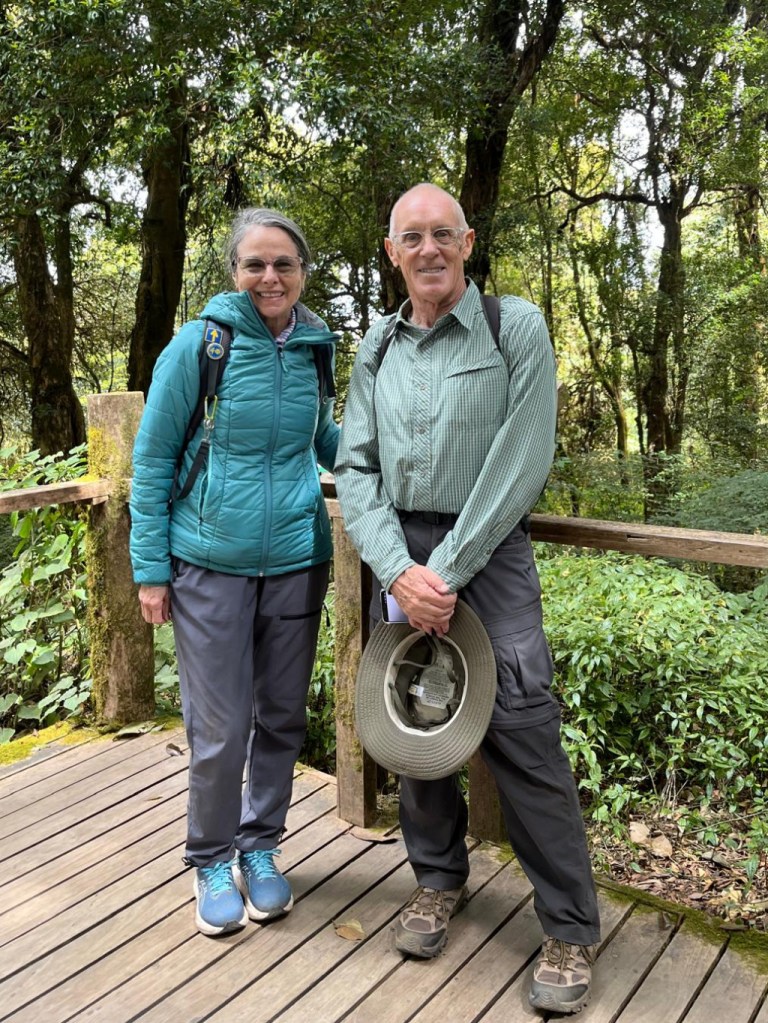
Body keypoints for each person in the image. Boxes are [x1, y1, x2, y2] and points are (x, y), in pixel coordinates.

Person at [334, 183, 600, 1014]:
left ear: (468, 241)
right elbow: (355, 466)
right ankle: (437, 880)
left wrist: (442, 573)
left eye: (442, 233)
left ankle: (569, 925)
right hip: (399, 558)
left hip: (486, 552)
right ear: (392, 253)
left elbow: (523, 456)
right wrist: (396, 569)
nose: (428, 249)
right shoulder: (378, 344)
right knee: (414, 725)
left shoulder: (512, 326)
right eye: (411, 237)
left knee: (522, 727)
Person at [129, 207, 339, 938]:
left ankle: (261, 844)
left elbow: (326, 436)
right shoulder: (201, 345)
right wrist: (151, 571)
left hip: (297, 560)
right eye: (256, 264)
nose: (270, 277)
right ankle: (211, 858)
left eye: (284, 264)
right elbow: (153, 459)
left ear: (302, 271)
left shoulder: (316, 344)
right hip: (209, 563)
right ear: (235, 271)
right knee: (219, 726)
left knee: (281, 717)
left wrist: (393, 461)